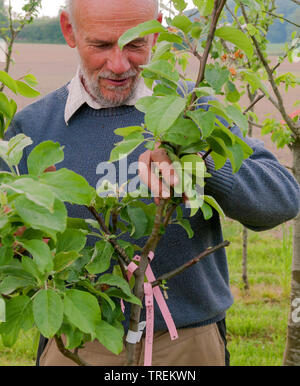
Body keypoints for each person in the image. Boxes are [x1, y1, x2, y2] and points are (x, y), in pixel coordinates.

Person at [1, 0, 300, 366]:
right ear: (69, 31)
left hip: (186, 344)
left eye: (135, 44)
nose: (119, 64)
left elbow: (283, 199)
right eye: (101, 45)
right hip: (78, 341)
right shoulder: (32, 130)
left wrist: (199, 166)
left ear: (156, 30)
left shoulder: (191, 112)